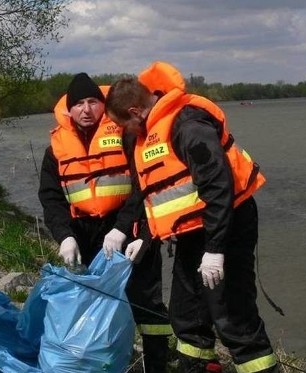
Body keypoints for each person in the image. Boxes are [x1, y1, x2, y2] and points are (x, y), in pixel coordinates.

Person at [104, 61, 278, 373]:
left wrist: (215, 250)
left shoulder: (187, 125)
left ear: (135, 112)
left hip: (228, 224)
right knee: (187, 316)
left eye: (123, 126)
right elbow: (148, 190)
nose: (124, 133)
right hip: (191, 233)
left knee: (232, 315)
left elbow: (218, 187)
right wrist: (136, 234)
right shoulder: (146, 135)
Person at [37, 72, 171, 373]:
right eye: (79, 104)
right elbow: (51, 198)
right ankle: (101, 363)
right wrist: (64, 237)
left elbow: (143, 184)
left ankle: (157, 365)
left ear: (103, 105)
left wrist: (122, 228)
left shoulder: (126, 132)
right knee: (92, 305)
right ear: (68, 110)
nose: (86, 109)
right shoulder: (55, 148)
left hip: (130, 229)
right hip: (83, 232)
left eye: (93, 102)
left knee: (146, 303)